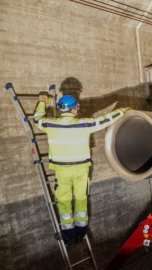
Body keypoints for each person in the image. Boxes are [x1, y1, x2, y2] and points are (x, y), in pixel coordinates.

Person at [33, 93, 128, 245]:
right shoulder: (84, 124)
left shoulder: (50, 124)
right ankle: (81, 232)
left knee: (63, 201)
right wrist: (121, 111)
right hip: (81, 171)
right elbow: (104, 119)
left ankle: (69, 235)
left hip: (61, 171)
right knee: (81, 200)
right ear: (72, 109)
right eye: (76, 107)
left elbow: (36, 119)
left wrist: (42, 101)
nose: (78, 109)